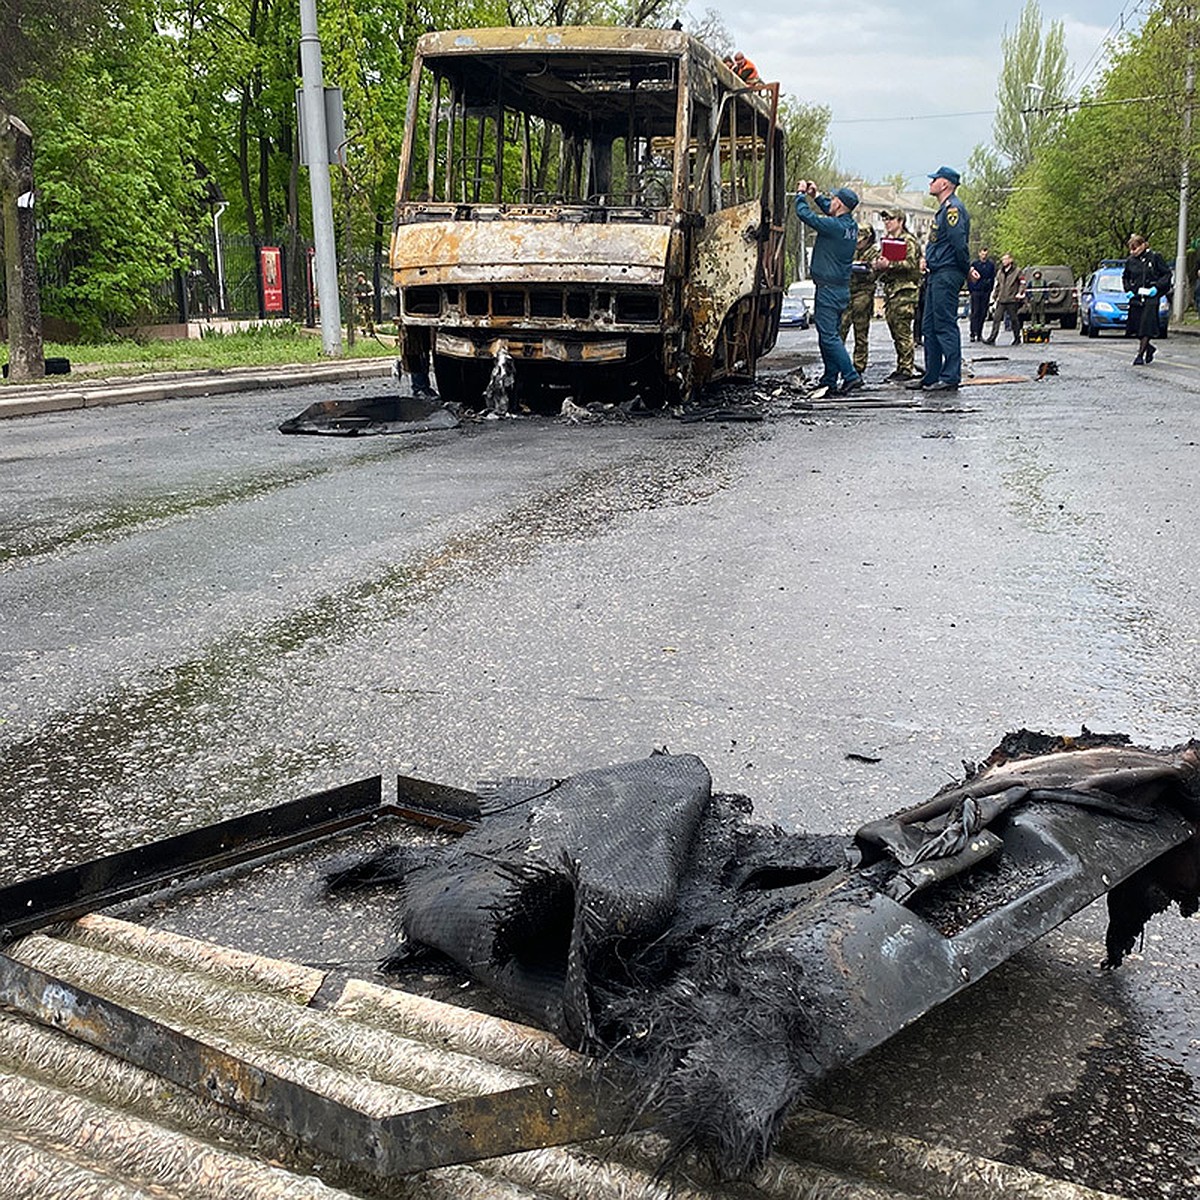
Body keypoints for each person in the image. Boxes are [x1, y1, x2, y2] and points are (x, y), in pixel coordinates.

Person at [793, 180, 862, 397]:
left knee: (829, 336)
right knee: (828, 336)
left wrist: (801, 195)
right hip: (840, 288)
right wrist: (817, 197)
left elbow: (806, 216)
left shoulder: (834, 227)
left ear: (840, 204)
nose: (830, 202)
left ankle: (850, 375)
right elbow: (828, 210)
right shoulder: (850, 227)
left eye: (833, 199)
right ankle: (829, 378)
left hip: (828, 289)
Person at [907, 166, 969, 392]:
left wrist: (964, 269)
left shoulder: (953, 210)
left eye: (934, 180)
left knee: (944, 324)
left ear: (945, 184)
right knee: (929, 326)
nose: (930, 184)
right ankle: (931, 376)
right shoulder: (943, 211)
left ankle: (951, 376)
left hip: (947, 273)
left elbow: (958, 244)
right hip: (936, 273)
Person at [872, 209, 922, 380]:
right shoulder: (888, 242)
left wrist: (890, 264)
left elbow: (911, 263)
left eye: (890, 219)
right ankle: (901, 366)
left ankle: (907, 368)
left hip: (905, 291)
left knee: (903, 331)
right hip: (892, 291)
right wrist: (878, 264)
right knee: (895, 330)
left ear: (900, 221)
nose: (887, 222)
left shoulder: (908, 241)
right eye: (885, 219)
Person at [1123, 233, 1172, 365]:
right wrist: (1128, 290)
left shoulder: (1155, 258)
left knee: (1146, 326)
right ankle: (1149, 348)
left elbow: (1166, 274)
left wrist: (1156, 288)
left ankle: (1140, 355)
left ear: (1143, 245)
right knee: (1137, 327)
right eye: (1131, 249)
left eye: (1135, 248)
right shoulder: (1130, 261)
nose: (1133, 252)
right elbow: (1126, 277)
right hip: (1137, 297)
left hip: (1151, 297)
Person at [840, 225, 877, 376]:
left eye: (860, 240)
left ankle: (859, 366)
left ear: (868, 239)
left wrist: (866, 269)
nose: (857, 243)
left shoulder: (874, 252)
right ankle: (838, 362)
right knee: (841, 329)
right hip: (848, 292)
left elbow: (875, 275)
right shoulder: (850, 249)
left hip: (864, 293)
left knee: (860, 333)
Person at [983, 254, 1024, 345]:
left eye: (1005, 259)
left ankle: (1017, 338)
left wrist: (1020, 293)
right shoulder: (1000, 272)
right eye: (1003, 260)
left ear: (1010, 260)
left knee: (1014, 320)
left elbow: (1022, 283)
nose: (1003, 261)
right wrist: (994, 295)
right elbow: (998, 285)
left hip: (1012, 299)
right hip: (1001, 299)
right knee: (996, 319)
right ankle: (992, 338)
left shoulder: (1017, 271)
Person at [967, 246, 996, 341]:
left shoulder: (990, 265)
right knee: (975, 312)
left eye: (985, 254)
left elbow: (992, 277)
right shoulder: (975, 264)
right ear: (979, 254)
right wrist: (971, 289)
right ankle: (972, 333)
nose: (984, 256)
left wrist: (990, 289)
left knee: (983, 313)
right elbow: (970, 278)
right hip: (976, 291)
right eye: (982, 254)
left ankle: (979, 333)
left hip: (985, 291)